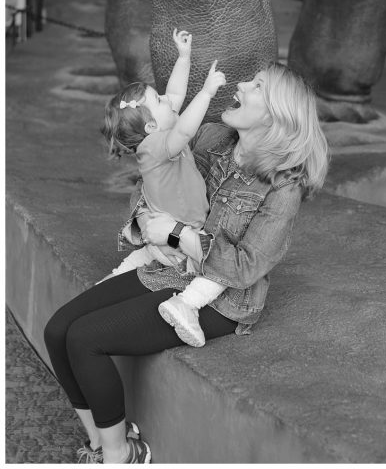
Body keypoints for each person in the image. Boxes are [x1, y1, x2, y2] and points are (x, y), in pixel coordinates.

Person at [44, 62, 328, 464]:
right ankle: (101, 444)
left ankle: (120, 455)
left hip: (220, 298)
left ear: (275, 114)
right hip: (170, 269)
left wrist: (177, 234)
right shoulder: (212, 137)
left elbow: (246, 267)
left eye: (257, 86)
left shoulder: (284, 185)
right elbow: (155, 180)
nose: (242, 84)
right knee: (58, 330)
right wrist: (146, 222)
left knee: (84, 339)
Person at [99, 28, 228, 348]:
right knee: (219, 272)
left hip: (160, 234)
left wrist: (184, 57)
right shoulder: (158, 146)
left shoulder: (154, 139)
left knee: (144, 256)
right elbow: (184, 129)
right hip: (182, 234)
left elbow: (174, 95)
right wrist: (207, 92)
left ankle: (111, 281)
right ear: (151, 127)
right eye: (158, 100)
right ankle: (186, 306)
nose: (167, 100)